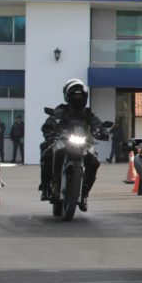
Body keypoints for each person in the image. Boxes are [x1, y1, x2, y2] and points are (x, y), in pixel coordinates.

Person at [39, 78, 108, 211]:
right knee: (47, 153)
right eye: (74, 95)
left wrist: (102, 131)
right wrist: (49, 128)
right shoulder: (61, 110)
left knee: (95, 162)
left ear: (85, 97)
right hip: (63, 140)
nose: (77, 98)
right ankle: (46, 186)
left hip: (85, 143)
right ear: (68, 96)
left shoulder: (88, 113)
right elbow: (52, 119)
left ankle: (85, 192)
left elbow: (97, 123)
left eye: (80, 95)